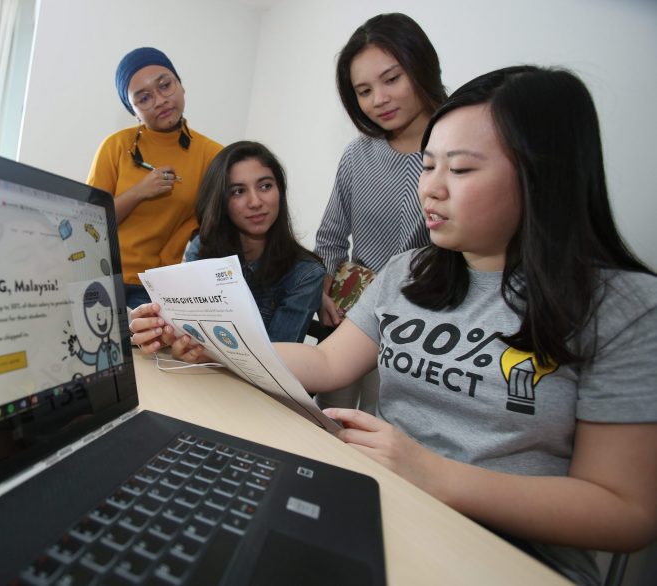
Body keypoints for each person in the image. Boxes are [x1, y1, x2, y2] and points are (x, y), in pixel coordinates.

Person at [129, 66, 657, 585]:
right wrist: (210, 343)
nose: (432, 189)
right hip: (379, 499)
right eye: (427, 167)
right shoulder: (409, 272)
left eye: (462, 170)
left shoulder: (624, 305)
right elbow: (327, 360)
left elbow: (625, 510)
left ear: (543, 175)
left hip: (508, 550)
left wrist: (433, 473)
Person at [315, 13, 445, 328]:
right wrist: (320, 293)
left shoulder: (456, 154)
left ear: (421, 67)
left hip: (429, 321)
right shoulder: (357, 155)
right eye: (364, 91)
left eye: (391, 79)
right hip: (355, 318)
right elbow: (330, 239)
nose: (379, 100)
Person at [87, 47, 223, 309]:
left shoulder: (213, 155)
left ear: (181, 86)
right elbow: (89, 224)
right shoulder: (115, 146)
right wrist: (139, 191)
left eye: (165, 85)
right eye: (144, 98)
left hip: (156, 288)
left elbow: (216, 229)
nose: (160, 100)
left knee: (146, 349)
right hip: (100, 275)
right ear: (133, 109)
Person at [184, 141, 324, 342]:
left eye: (265, 186)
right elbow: (186, 328)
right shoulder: (202, 248)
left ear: (280, 191)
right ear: (220, 201)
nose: (256, 202)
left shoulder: (306, 274)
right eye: (238, 191)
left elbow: (277, 363)